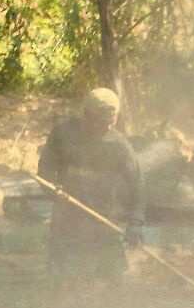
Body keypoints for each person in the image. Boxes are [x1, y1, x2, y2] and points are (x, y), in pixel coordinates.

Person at [39, 87, 142, 279]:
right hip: (66, 221)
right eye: (102, 123)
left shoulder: (119, 146)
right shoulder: (63, 134)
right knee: (61, 282)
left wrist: (136, 223)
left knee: (110, 284)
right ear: (86, 115)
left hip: (103, 223)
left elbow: (138, 188)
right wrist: (53, 190)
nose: (108, 128)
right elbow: (44, 170)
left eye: (112, 122)